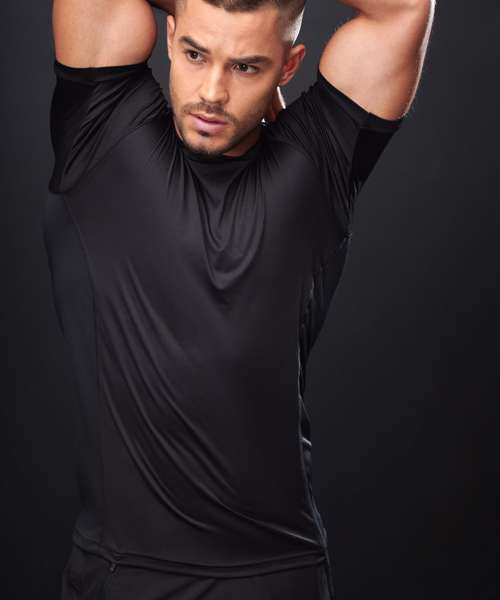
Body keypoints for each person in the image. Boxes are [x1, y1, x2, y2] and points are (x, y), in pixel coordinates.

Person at [44, 0, 435, 598]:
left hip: (273, 575)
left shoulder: (318, 162)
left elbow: (403, 10)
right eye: (196, 54)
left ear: (288, 65)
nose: (212, 93)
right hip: (118, 577)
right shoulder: (100, 128)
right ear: (170, 34)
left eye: (247, 66)